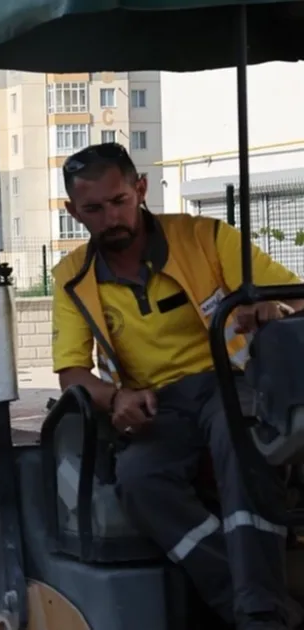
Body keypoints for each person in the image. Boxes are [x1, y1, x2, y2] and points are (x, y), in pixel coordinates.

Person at [51, 142, 304, 630]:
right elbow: (72, 375)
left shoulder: (206, 237)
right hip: (156, 405)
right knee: (139, 481)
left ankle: (260, 612)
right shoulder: (71, 280)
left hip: (229, 383)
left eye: (119, 201)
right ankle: (249, 600)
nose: (110, 218)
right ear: (72, 212)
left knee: (238, 437)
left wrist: (275, 312)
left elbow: (291, 298)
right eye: (93, 210)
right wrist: (117, 398)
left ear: (141, 189)